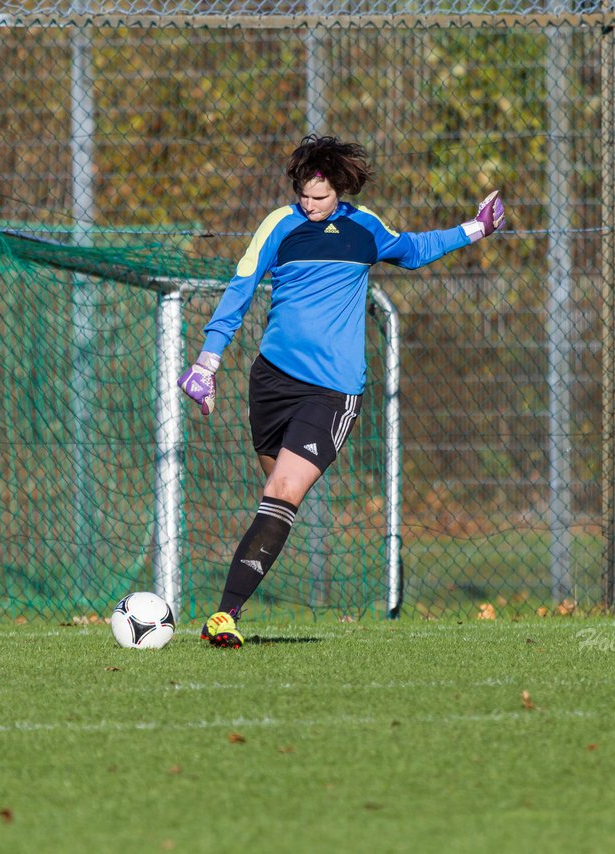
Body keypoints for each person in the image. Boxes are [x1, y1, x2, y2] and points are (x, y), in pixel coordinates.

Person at [178, 134, 506, 648]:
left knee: (282, 491)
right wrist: (208, 359)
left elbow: (416, 250)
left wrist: (476, 227)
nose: (310, 206)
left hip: (332, 391)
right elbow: (241, 285)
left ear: (341, 190)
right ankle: (236, 601)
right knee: (275, 496)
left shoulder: (365, 228)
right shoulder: (279, 225)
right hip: (271, 381)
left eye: (321, 198)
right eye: (304, 196)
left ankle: (223, 616)